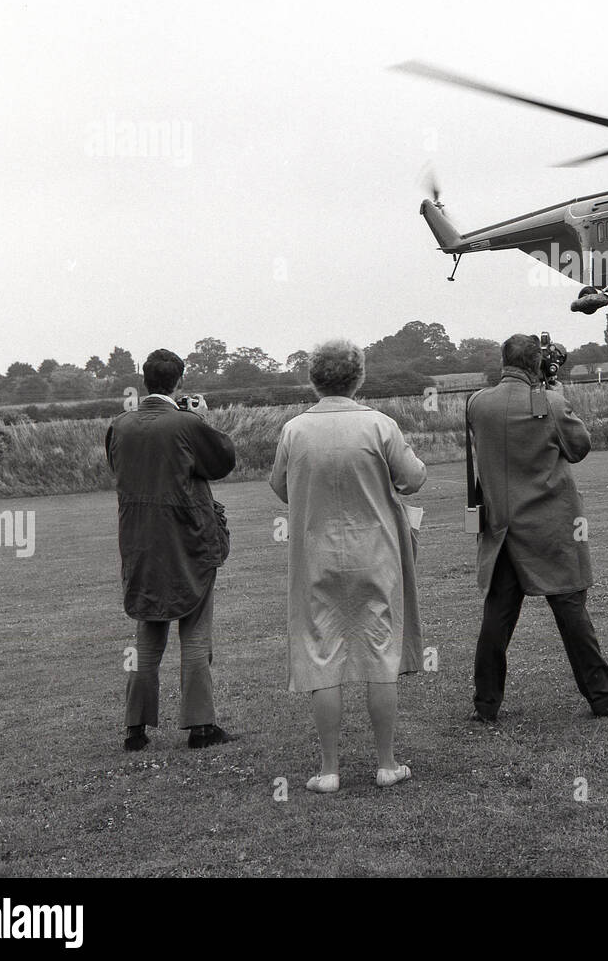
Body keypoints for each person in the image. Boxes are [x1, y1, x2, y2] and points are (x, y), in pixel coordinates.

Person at [270, 339, 425, 793]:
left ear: (314, 379)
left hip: (317, 555)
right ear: (359, 377)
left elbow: (281, 486)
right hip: (376, 554)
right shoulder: (380, 425)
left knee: (322, 655)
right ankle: (385, 762)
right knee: (380, 652)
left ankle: (330, 769)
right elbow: (413, 478)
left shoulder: (293, 431)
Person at [468, 334, 608, 722]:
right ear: (536, 364)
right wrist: (553, 393)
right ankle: (603, 697)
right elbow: (578, 448)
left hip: (500, 527)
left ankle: (486, 704)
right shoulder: (550, 402)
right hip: (551, 527)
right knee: (572, 614)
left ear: (504, 360)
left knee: (497, 619)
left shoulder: (477, 403)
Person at [106, 348, 237, 751]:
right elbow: (221, 462)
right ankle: (201, 727)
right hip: (188, 543)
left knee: (148, 636)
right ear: (179, 380)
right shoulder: (185, 423)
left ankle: (135, 729)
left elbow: (119, 469)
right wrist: (198, 418)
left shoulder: (119, 426)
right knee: (195, 635)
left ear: (145, 380)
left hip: (141, 545)